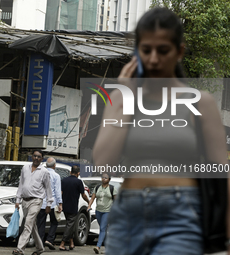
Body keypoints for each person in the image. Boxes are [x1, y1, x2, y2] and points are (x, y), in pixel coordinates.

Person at [92, 7, 229, 255]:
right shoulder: (121, 99)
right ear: (137, 52)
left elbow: (220, 173)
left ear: (179, 51)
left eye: (163, 50)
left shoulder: (200, 102)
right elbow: (104, 164)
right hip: (127, 216)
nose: (154, 59)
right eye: (146, 50)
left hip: (181, 213)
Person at [13, 150, 53, 255]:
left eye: (39, 157)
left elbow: (48, 189)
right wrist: (18, 199)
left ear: (42, 159)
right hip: (25, 201)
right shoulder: (25, 168)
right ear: (32, 156)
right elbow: (21, 184)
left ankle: (20, 249)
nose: (36, 158)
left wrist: (49, 204)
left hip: (36, 201)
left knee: (27, 224)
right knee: (32, 225)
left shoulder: (44, 172)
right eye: (35, 156)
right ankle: (40, 248)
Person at [59, 165, 90, 251]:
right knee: (70, 225)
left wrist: (60, 204)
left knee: (70, 224)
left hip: (65, 206)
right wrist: (88, 201)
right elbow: (83, 195)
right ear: (78, 173)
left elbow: (60, 193)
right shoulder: (78, 182)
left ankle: (71, 243)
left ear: (70, 172)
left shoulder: (63, 181)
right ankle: (62, 243)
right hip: (73, 206)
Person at [87, 173, 117, 254]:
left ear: (109, 180)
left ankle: (98, 246)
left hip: (107, 211)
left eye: (106, 178)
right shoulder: (97, 187)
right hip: (98, 211)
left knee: (102, 228)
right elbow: (92, 198)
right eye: (102, 177)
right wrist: (89, 205)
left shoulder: (112, 188)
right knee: (104, 229)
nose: (103, 179)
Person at [37, 157, 63, 250]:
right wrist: (60, 204)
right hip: (52, 203)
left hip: (41, 203)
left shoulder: (40, 174)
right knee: (54, 222)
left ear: (46, 165)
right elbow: (57, 191)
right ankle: (49, 239)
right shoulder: (56, 176)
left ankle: (40, 243)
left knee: (41, 224)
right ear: (54, 166)